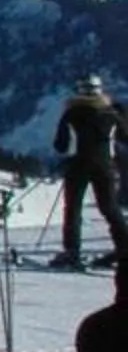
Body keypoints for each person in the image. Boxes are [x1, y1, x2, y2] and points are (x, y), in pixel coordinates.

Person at [53, 73, 125, 270]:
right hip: (105, 166)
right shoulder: (111, 113)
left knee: (73, 208)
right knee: (110, 207)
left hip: (78, 165)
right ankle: (124, 247)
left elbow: (60, 145)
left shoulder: (71, 114)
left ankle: (72, 251)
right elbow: (125, 136)